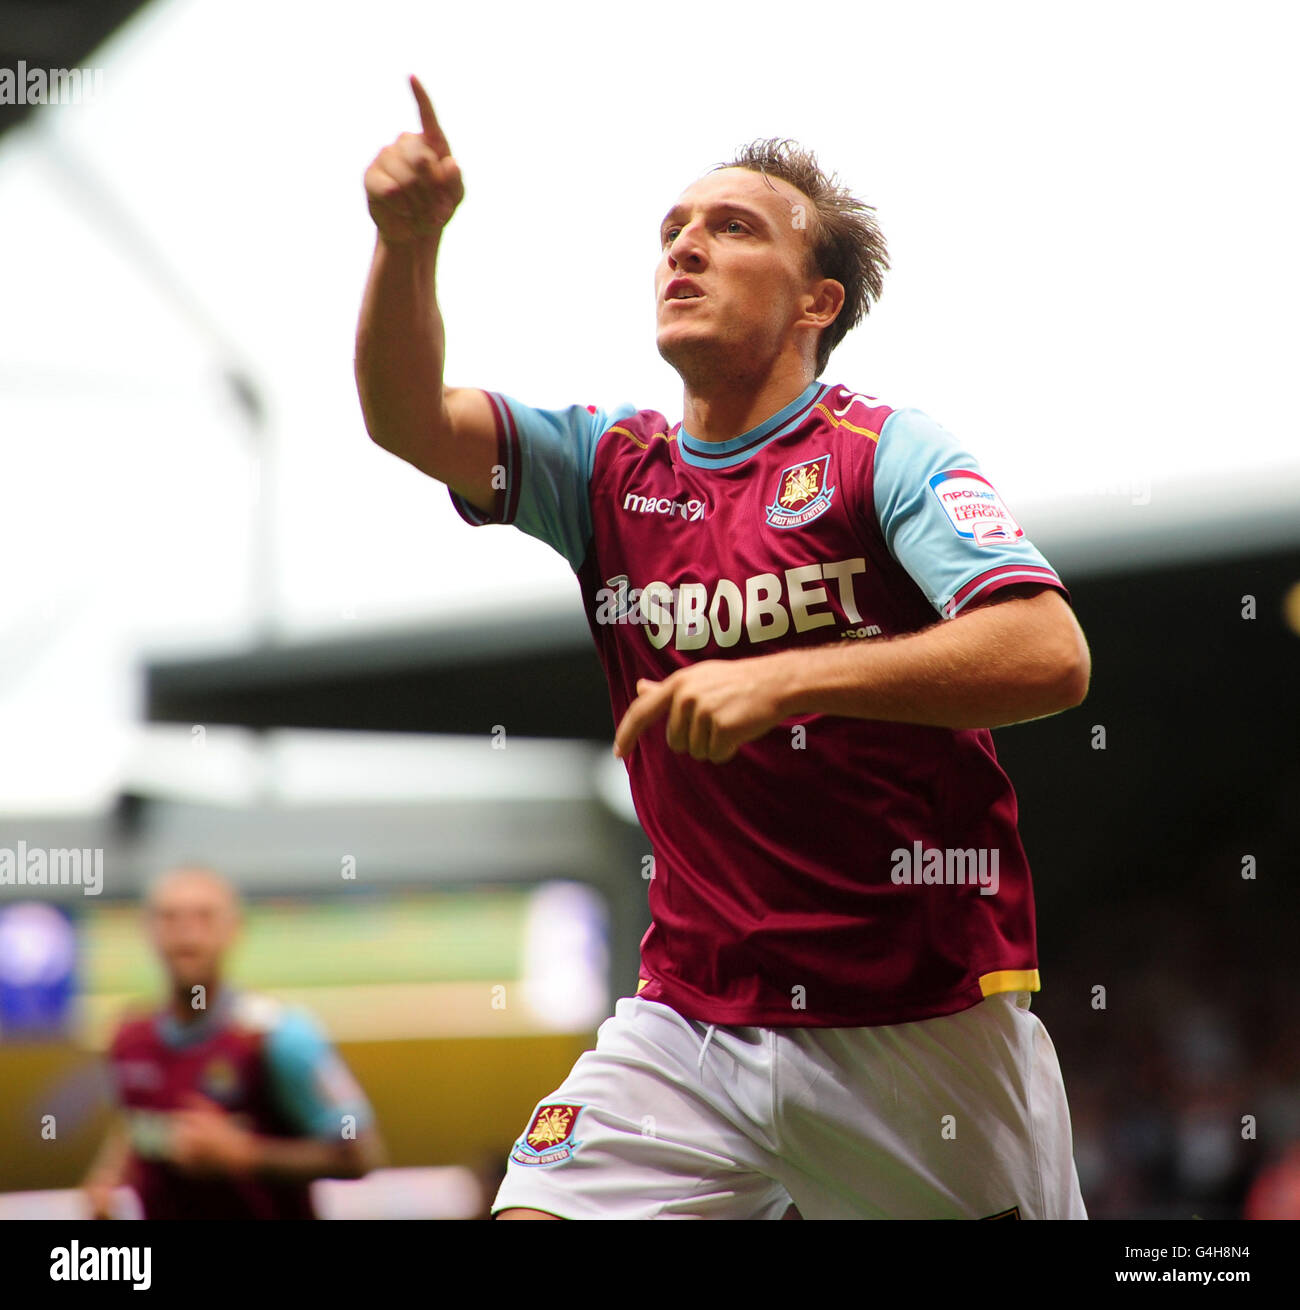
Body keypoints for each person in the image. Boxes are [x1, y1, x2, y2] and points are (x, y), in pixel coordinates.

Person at [354, 76, 1092, 1220]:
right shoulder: (604, 468)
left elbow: (1047, 653)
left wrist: (784, 676)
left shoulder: (883, 451)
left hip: (916, 1017)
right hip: (689, 1016)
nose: (685, 247)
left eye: (732, 228)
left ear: (815, 301)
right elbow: (406, 416)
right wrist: (409, 244)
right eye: (673, 231)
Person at [82, 866, 383, 1219]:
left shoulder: (278, 1036)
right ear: (148, 931)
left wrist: (246, 1155)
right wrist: (107, 1180)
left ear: (234, 930)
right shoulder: (129, 1039)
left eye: (204, 917)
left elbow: (361, 1153)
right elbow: (136, 1127)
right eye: (170, 918)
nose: (187, 934)